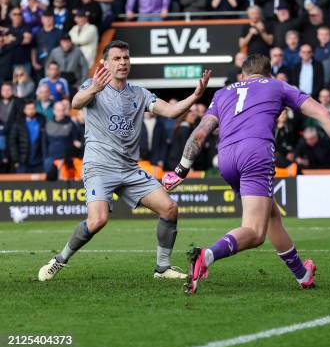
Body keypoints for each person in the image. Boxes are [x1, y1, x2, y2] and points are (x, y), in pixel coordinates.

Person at [161, 53, 330, 294]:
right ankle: (207, 255)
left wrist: (181, 170)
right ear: (269, 73)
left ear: (242, 74)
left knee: (272, 217)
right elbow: (323, 114)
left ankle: (302, 274)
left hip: (226, 157)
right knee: (255, 232)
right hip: (255, 153)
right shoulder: (278, 85)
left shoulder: (223, 92)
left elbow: (201, 132)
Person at [37, 40, 212, 282]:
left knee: (169, 208)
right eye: (117, 58)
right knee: (98, 220)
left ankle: (162, 268)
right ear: (106, 63)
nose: (122, 63)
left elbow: (171, 112)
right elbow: (76, 104)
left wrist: (195, 95)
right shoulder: (93, 85)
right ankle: (60, 259)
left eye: (126, 58)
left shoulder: (139, 94)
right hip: (99, 166)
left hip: (129, 169)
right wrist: (93, 90)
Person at [9, 100, 46, 173]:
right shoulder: (18, 122)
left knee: (39, 184)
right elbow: (13, 142)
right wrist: (16, 160)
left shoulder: (41, 120)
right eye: (29, 109)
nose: (31, 111)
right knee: (22, 184)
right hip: (23, 161)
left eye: (33, 108)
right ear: (24, 110)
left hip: (39, 161)